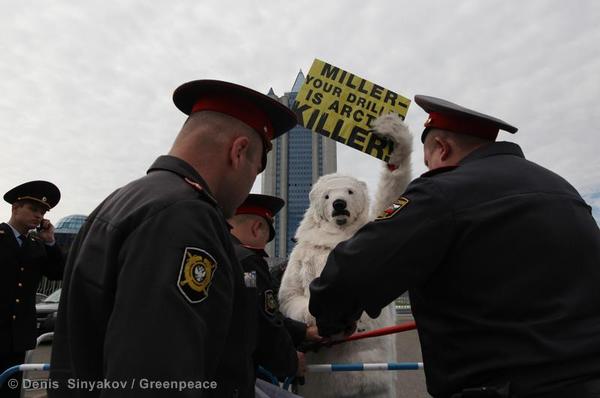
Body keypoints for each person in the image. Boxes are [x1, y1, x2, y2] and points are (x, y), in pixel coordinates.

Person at [308, 95, 600, 398]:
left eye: (427, 161)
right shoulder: (563, 190)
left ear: (442, 149)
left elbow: (352, 273)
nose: (429, 169)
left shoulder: (442, 192)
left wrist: (331, 322)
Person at [49, 80, 297, 398]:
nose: (251, 183)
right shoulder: (186, 216)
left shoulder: (125, 199)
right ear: (239, 152)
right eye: (256, 168)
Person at [228, 194, 319, 383]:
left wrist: (304, 331)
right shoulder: (248, 263)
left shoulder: (210, 249)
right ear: (257, 228)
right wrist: (292, 362)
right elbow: (262, 323)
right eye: (267, 238)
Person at [1, 180, 63, 398]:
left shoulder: (37, 245)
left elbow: (58, 273)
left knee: (10, 389)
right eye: (34, 209)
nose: (39, 215)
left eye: (43, 212)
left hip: (17, 337)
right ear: (15, 208)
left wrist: (50, 242)